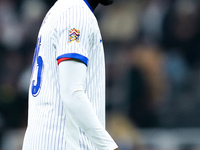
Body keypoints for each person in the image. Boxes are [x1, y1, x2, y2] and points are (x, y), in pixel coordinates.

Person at [22, 0, 119, 149]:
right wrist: (109, 147)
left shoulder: (61, 9)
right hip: (63, 143)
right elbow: (72, 94)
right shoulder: (76, 13)